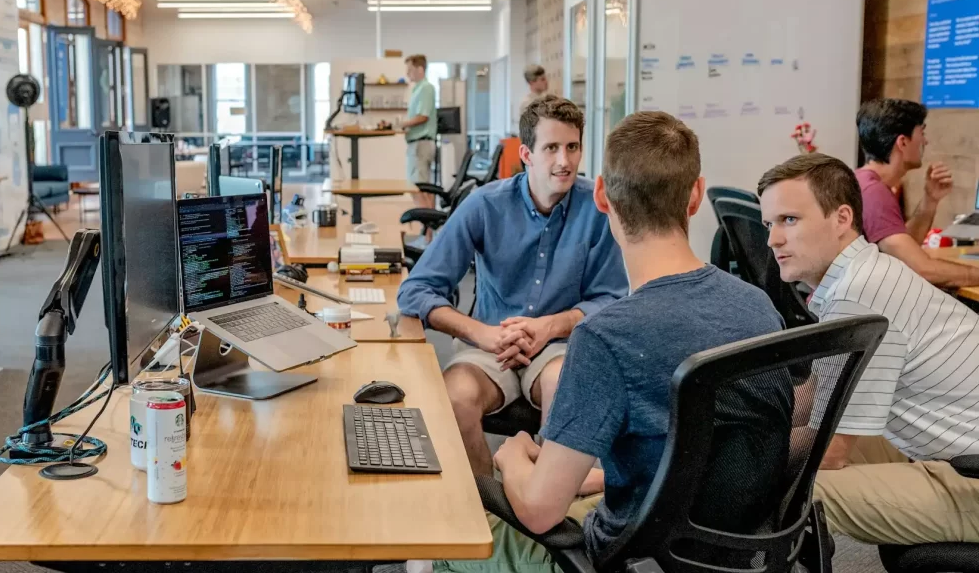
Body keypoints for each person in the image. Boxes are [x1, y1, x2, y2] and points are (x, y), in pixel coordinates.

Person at [432, 111, 790, 573]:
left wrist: (514, 455)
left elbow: (540, 510)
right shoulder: (757, 306)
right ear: (696, 195)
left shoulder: (605, 338)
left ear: (601, 195)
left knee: (439, 534)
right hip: (732, 554)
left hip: (626, 556)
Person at [397, 95, 628, 480]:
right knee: (455, 397)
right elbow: (416, 290)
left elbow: (613, 299)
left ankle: (545, 504)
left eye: (572, 147)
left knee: (563, 386)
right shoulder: (484, 206)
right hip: (489, 343)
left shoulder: (598, 209)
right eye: (551, 148)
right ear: (526, 153)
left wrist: (550, 327)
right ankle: (489, 507)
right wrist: (481, 334)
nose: (564, 161)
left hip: (559, 346)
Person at [758, 153, 979, 545]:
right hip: (952, 455)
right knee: (768, 450)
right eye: (769, 224)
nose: (773, 239)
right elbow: (818, 397)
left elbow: (831, 451)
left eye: (789, 220)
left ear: (842, 219)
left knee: (797, 488)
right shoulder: (862, 275)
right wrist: (731, 426)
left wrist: (715, 458)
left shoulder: (860, 294)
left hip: (969, 480)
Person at [855, 98, 979, 287]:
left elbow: (904, 250)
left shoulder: (865, 182)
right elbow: (921, 269)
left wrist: (930, 200)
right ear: (903, 142)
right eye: (922, 132)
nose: (925, 141)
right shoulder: (873, 193)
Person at [402, 54, 438, 210]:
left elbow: (423, 116)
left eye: (410, 70)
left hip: (421, 144)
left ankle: (429, 227)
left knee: (418, 188)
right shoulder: (418, 89)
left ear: (420, 69)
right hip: (418, 143)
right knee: (424, 188)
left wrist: (403, 124)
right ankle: (430, 232)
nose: (407, 74)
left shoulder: (426, 88)